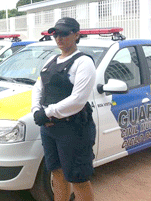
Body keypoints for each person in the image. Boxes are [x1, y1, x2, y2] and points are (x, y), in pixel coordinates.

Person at [31, 17, 96, 201]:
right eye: (56, 34)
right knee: (57, 173)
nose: (59, 38)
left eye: (64, 34)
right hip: (49, 129)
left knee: (78, 178)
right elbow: (39, 86)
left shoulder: (83, 62)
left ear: (76, 35)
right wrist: (36, 110)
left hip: (73, 129)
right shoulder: (52, 59)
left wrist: (47, 112)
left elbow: (78, 100)